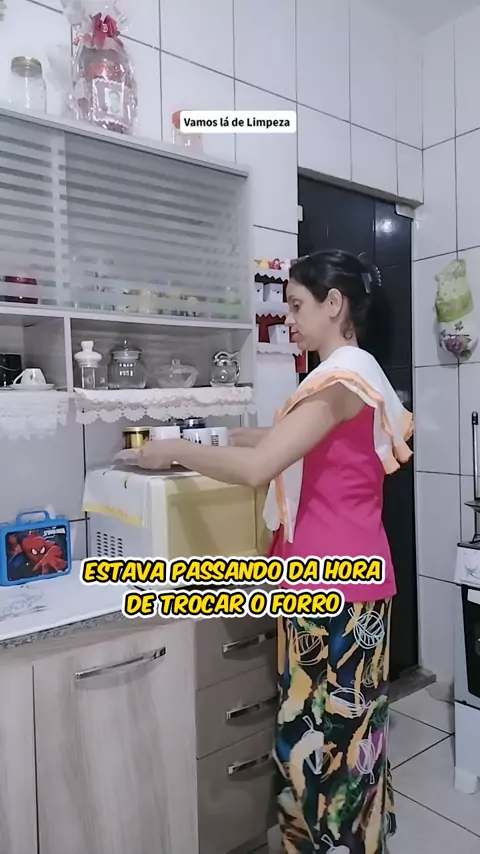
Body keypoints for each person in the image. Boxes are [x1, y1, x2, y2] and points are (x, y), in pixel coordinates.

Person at [119, 250, 413, 854]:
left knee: (328, 747)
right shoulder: (351, 376)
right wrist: (223, 433)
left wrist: (172, 450)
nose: (290, 320)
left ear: (335, 304)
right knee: (339, 737)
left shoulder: (342, 379)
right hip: (336, 582)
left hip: (337, 591)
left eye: (298, 306)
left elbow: (261, 466)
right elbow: (291, 442)